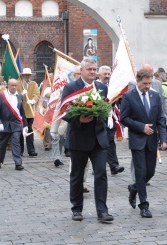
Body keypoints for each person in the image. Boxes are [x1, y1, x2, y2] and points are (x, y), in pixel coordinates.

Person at [63, 58, 113, 224]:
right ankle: (77, 209)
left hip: (98, 140)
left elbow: (105, 109)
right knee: (77, 176)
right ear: (82, 71)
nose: (92, 72)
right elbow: (65, 112)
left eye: (94, 69)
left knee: (101, 174)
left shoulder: (102, 88)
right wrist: (79, 120)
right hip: (78, 139)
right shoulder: (71, 88)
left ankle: (102, 211)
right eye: (90, 69)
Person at [121, 69, 167, 218]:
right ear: (138, 81)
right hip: (137, 140)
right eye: (145, 83)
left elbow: (161, 118)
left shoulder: (155, 96)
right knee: (140, 172)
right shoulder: (128, 96)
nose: (147, 86)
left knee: (150, 172)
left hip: (152, 141)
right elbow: (124, 118)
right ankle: (144, 205)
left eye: (149, 83)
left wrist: (165, 138)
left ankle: (134, 188)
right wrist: (141, 127)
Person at [0, 79, 26, 170]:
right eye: (12, 85)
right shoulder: (1, 95)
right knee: (2, 144)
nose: (14, 87)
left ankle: (18, 163)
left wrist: (25, 125)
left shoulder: (19, 96)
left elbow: (21, 112)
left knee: (16, 142)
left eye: (16, 85)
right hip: (4, 124)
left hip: (16, 124)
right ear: (8, 85)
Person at [17, 68, 39, 157]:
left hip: (30, 111)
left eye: (28, 75)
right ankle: (20, 151)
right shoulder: (18, 83)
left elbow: (37, 94)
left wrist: (33, 101)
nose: (27, 76)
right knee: (21, 131)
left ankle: (31, 150)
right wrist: (21, 94)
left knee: (30, 130)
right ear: (23, 75)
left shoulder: (34, 84)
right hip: (20, 111)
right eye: (26, 75)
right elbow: (15, 95)